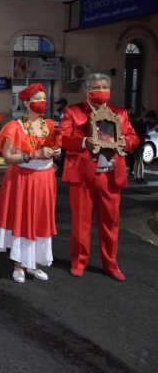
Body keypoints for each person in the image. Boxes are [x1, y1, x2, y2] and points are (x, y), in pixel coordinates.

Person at [60, 73, 139, 281]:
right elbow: (63, 138)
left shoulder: (119, 113)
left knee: (111, 223)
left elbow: (133, 137)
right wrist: (85, 142)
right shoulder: (74, 112)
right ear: (88, 90)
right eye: (97, 86)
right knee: (80, 222)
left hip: (110, 176)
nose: (102, 90)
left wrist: (125, 143)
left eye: (105, 86)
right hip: (83, 175)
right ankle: (79, 261)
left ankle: (111, 264)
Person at [0, 83, 61, 282]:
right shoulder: (15, 127)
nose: (42, 103)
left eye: (43, 99)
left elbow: (56, 148)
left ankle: (36, 263)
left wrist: (56, 153)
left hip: (45, 179)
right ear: (26, 102)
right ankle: (19, 265)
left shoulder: (49, 125)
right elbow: (7, 157)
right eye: (37, 99)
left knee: (41, 219)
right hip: (23, 179)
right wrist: (33, 154)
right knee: (23, 219)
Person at [131, 110, 157, 184]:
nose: (152, 121)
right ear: (148, 117)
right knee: (138, 160)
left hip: (142, 144)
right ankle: (136, 177)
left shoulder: (146, 124)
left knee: (141, 161)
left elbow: (144, 133)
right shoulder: (138, 123)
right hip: (136, 144)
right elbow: (136, 134)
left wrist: (146, 136)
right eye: (152, 119)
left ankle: (141, 177)